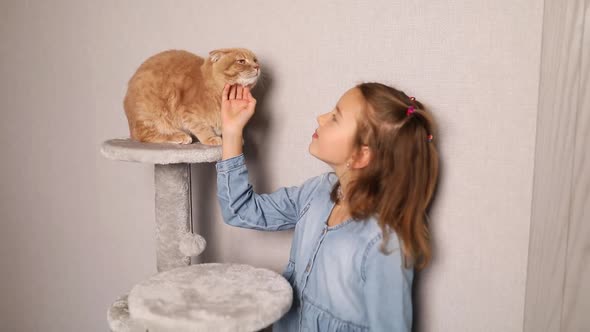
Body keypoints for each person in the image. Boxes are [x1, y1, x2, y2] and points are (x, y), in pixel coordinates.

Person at [215, 82, 439, 331]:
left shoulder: (384, 244)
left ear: (362, 155)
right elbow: (240, 210)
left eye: (335, 117)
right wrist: (232, 131)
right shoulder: (317, 192)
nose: (320, 118)